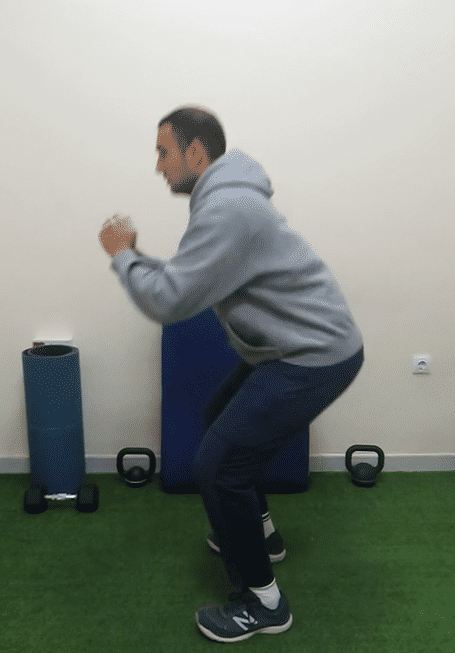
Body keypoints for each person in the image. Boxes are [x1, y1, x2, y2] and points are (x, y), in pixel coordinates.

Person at [109, 105, 364, 642]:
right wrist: (135, 257)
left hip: (313, 355)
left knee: (218, 466)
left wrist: (121, 257)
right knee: (219, 420)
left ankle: (263, 603)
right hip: (289, 349)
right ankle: (261, 535)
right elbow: (183, 279)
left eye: (164, 152)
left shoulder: (226, 207)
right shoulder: (224, 199)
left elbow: (168, 301)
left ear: (195, 152)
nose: (158, 166)